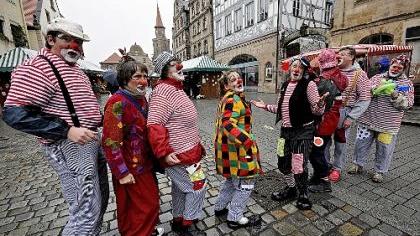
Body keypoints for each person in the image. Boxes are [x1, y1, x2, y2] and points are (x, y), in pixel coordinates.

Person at [2, 18, 109, 235]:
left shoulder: (75, 69)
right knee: (85, 211)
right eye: (67, 39)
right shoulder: (39, 66)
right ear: (50, 39)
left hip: (90, 140)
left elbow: (81, 104)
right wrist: (67, 130)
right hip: (69, 145)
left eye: (78, 41)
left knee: (100, 201)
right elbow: (15, 113)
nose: (75, 46)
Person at [252, 57, 327, 210]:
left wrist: (320, 104)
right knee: (283, 162)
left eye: (300, 67)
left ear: (304, 71)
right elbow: (281, 109)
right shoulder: (285, 85)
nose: (296, 69)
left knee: (298, 165)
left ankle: (303, 194)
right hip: (285, 132)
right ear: (290, 69)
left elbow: (316, 109)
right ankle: (291, 188)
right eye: (294, 66)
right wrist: (265, 106)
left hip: (303, 131)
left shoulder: (309, 85)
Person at [102, 55, 163, 235]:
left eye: (145, 76)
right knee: (146, 206)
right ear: (125, 80)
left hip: (145, 164)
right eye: (137, 77)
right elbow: (111, 141)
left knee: (138, 206)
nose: (143, 80)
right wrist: (122, 172)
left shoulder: (142, 99)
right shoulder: (117, 103)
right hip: (131, 167)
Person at [147, 52, 206, 235]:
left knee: (180, 188)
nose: (179, 66)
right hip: (178, 154)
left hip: (189, 150)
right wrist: (163, 152)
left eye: (178, 62)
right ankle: (187, 224)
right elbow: (154, 124)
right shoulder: (163, 91)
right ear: (165, 70)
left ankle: (179, 219)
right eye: (174, 64)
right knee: (198, 185)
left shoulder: (176, 88)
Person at [349, 55, 414, 183]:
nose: (395, 69)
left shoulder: (407, 84)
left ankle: (379, 171)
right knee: (361, 144)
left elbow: (409, 104)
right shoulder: (377, 78)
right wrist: (373, 90)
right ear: (390, 66)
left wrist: (396, 96)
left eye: (399, 68)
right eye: (394, 66)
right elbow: (363, 93)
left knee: (384, 149)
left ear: (403, 69)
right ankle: (357, 164)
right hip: (367, 120)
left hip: (388, 125)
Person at [214, 70, 263, 229]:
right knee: (247, 182)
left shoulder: (229, 98)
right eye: (232, 79)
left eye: (238, 77)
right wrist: (247, 141)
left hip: (231, 150)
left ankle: (220, 207)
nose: (238, 81)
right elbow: (227, 124)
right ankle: (234, 217)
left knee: (231, 179)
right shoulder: (233, 99)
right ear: (227, 85)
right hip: (239, 149)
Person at [326, 46, 371, 182]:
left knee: (340, 143)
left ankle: (337, 168)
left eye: (343, 54)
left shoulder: (359, 74)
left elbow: (365, 98)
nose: (339, 56)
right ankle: (325, 166)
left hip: (344, 112)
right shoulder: (332, 71)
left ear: (351, 57)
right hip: (328, 111)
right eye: (338, 54)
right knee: (324, 141)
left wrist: (351, 117)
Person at [308, 49, 348, 193]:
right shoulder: (341, 76)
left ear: (322, 62)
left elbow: (318, 104)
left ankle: (324, 181)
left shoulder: (323, 80)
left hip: (322, 123)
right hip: (331, 121)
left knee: (316, 152)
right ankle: (317, 177)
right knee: (317, 150)